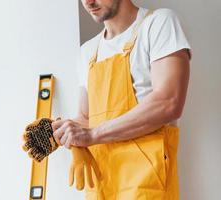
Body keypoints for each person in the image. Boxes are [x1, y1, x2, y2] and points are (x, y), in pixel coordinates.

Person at [52, 0, 191, 199]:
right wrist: (55, 129)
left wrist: (92, 135)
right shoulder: (88, 52)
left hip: (145, 183)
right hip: (101, 184)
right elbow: (85, 118)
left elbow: (168, 102)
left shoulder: (158, 24)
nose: (89, 2)